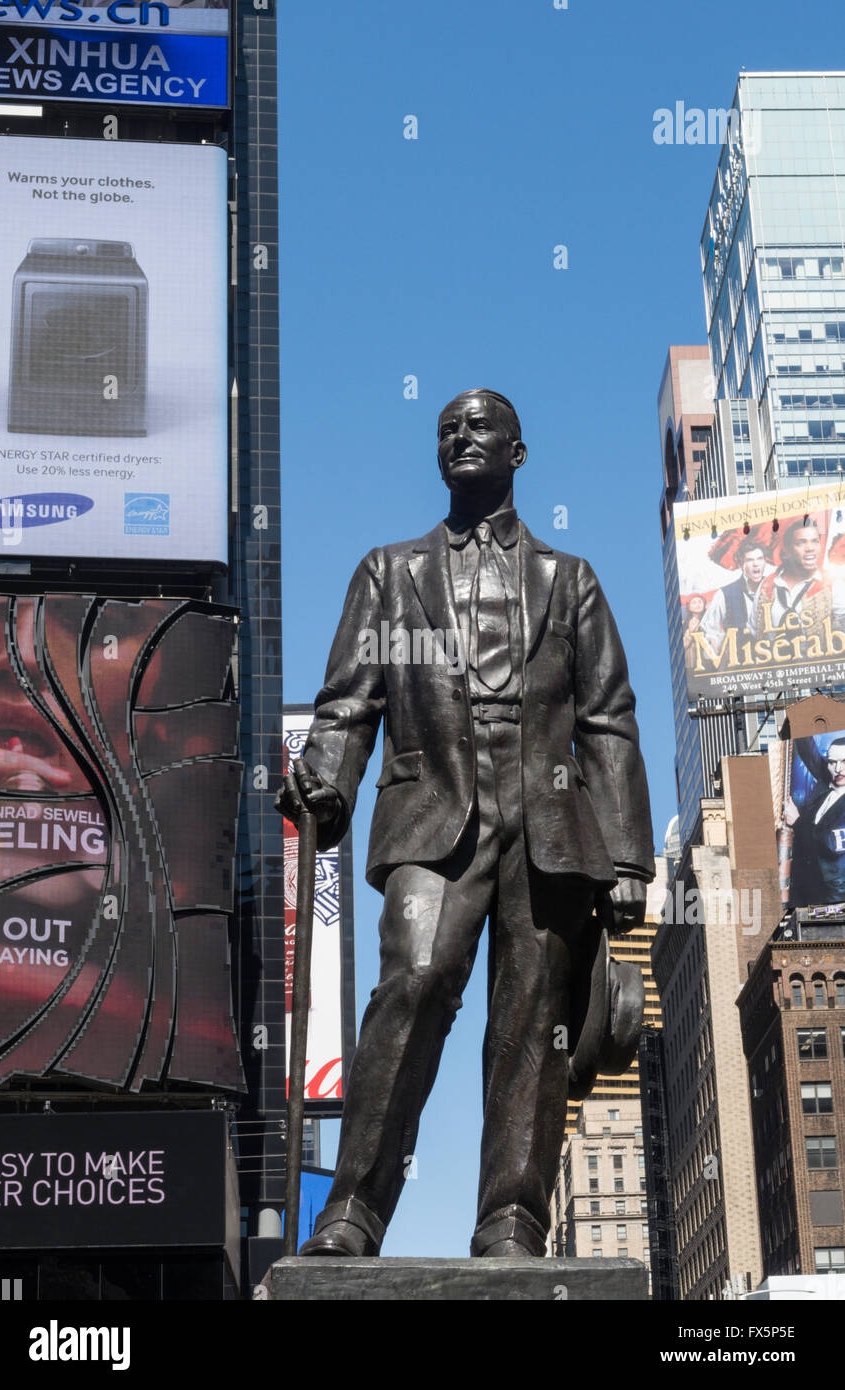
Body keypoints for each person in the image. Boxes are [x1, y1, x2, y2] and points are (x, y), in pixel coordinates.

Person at [276, 389, 655, 1259]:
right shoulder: (389, 571)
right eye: (446, 428)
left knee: (531, 1018)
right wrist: (327, 781)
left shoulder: (572, 580)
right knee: (412, 982)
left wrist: (628, 860)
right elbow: (347, 703)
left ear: (518, 453)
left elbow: (608, 720)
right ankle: (353, 1210)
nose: (459, 437)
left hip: (549, 826)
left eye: (478, 426)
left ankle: (511, 1217)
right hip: (433, 810)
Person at [750, 520, 845, 639]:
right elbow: (753, 633)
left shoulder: (833, 585)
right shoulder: (766, 586)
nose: (810, 548)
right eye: (801, 543)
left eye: (815, 541)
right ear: (788, 549)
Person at [784, 735, 845, 906]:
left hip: (833, 902)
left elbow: (828, 844)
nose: (838, 768)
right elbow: (808, 752)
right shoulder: (824, 795)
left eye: (844, 761)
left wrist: (797, 822)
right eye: (832, 762)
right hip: (808, 899)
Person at [699, 536, 768, 654]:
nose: (756, 564)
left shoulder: (777, 587)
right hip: (742, 665)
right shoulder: (724, 594)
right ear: (741, 565)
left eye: (760, 559)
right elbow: (708, 629)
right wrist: (719, 657)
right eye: (750, 560)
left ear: (765, 562)